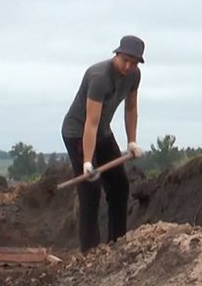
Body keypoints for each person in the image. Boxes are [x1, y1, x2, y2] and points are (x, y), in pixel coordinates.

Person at [61, 35, 147, 252]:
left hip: (102, 132)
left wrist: (131, 141)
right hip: (77, 132)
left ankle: (116, 244)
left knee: (119, 185)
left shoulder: (134, 75)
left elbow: (131, 108)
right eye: (125, 60)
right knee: (91, 189)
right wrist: (88, 162)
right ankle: (90, 252)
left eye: (134, 62)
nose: (128, 66)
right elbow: (90, 122)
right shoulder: (99, 77)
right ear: (116, 54)